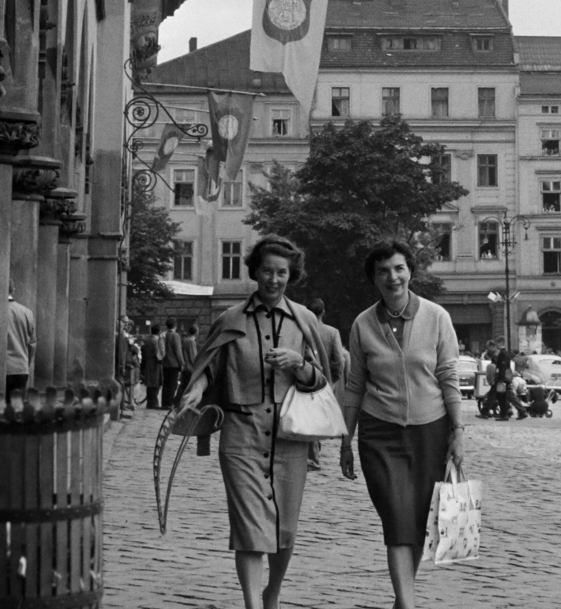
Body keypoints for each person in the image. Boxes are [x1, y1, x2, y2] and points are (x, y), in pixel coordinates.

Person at [178, 236, 330, 609]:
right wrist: (196, 389)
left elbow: (322, 381)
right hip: (241, 436)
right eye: (267, 271)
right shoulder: (230, 319)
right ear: (255, 272)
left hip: (289, 437)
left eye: (282, 273)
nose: (274, 280)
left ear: (291, 275)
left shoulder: (304, 321)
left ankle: (271, 592)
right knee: (249, 528)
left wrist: (299, 364)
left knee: (285, 530)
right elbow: (209, 368)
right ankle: (251, 604)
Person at [340, 239, 465, 609]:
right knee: (396, 517)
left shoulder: (437, 317)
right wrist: (346, 440)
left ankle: (402, 599)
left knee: (417, 519)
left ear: (410, 271)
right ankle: (408, 605)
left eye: (398, 268)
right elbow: (355, 386)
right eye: (383, 271)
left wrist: (458, 432)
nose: (392, 277)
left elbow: (448, 377)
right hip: (379, 432)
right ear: (374, 279)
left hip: (430, 431)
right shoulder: (363, 324)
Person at [307, 297, 345, 472]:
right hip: (325, 381)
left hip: (307, 378)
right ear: (323, 312)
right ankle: (313, 455)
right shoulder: (332, 332)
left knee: (309, 417)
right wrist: (333, 380)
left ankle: (313, 454)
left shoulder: (303, 330)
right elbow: (339, 360)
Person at [5, 280, 37, 395]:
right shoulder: (27, 312)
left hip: (3, 368)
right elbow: (32, 344)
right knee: (17, 404)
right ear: (13, 290)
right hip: (21, 368)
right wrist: (26, 364)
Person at [162, 316, 185, 407]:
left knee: (166, 384)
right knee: (172, 384)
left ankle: (164, 403)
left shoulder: (164, 334)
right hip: (174, 364)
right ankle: (170, 403)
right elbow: (178, 351)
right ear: (175, 325)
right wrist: (182, 363)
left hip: (165, 363)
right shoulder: (175, 336)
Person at [140, 324, 162, 409]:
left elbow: (143, 351)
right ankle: (154, 403)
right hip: (155, 364)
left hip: (147, 362)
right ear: (159, 331)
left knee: (149, 383)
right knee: (155, 383)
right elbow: (157, 353)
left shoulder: (146, 339)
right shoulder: (157, 340)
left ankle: (149, 402)